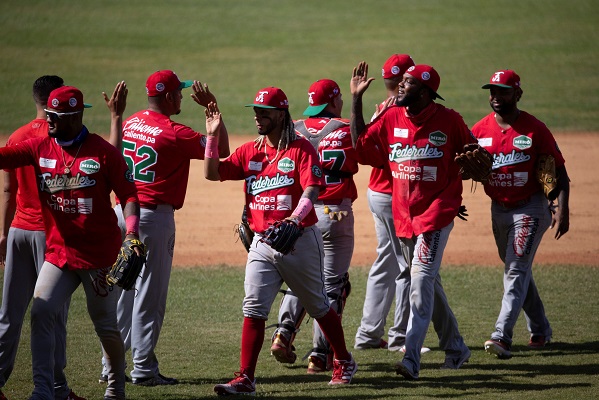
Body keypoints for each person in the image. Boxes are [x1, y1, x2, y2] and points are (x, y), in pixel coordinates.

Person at [204, 87, 357, 395]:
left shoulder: (301, 149)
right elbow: (213, 173)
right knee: (253, 308)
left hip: (299, 239)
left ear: (281, 114)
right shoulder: (251, 151)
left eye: (264, 111)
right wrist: (211, 135)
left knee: (317, 304)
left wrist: (294, 220)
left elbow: (312, 190)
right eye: (255, 110)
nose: (257, 116)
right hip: (263, 242)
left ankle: (343, 360)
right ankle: (246, 377)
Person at [0, 85, 138, 400]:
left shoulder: (103, 152)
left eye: (55, 117)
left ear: (74, 117)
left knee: (104, 325)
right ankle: (44, 390)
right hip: (60, 254)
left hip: (99, 256)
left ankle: (116, 386)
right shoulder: (39, 148)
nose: (48, 121)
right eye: (48, 114)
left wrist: (130, 232)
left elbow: (129, 195)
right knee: (42, 311)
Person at [99, 70, 230, 386]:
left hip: (122, 214)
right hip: (152, 221)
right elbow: (221, 149)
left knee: (122, 293)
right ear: (169, 97)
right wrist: (212, 108)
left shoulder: (130, 122)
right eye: (180, 93)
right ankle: (143, 369)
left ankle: (110, 367)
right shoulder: (176, 133)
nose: (183, 97)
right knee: (150, 295)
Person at [350, 62, 471, 380]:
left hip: (436, 216)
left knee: (418, 284)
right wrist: (357, 100)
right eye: (401, 81)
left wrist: (459, 189)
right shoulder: (391, 117)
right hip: (403, 216)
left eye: (408, 83)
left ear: (427, 92)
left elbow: (472, 156)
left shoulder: (450, 120)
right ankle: (456, 347)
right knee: (428, 282)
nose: (400, 86)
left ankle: (411, 358)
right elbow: (361, 149)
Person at [472, 69, 570, 359]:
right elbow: (460, 169)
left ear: (517, 94)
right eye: (493, 91)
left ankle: (501, 335)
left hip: (531, 207)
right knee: (519, 269)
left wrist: (563, 210)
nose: (496, 96)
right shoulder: (479, 131)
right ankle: (540, 329)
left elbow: (560, 173)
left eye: (503, 91)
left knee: (515, 271)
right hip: (498, 210)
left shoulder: (534, 129)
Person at [270, 79, 359, 374]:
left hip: (301, 214)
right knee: (333, 285)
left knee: (300, 278)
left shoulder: (293, 129)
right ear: (333, 102)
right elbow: (366, 152)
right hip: (336, 214)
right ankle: (319, 356)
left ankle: (283, 333)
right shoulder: (345, 128)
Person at [353, 54, 420, 353]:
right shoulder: (400, 108)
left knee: (386, 262)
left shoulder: (383, 106)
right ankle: (401, 338)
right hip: (394, 195)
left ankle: (368, 333)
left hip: (377, 192)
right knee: (407, 266)